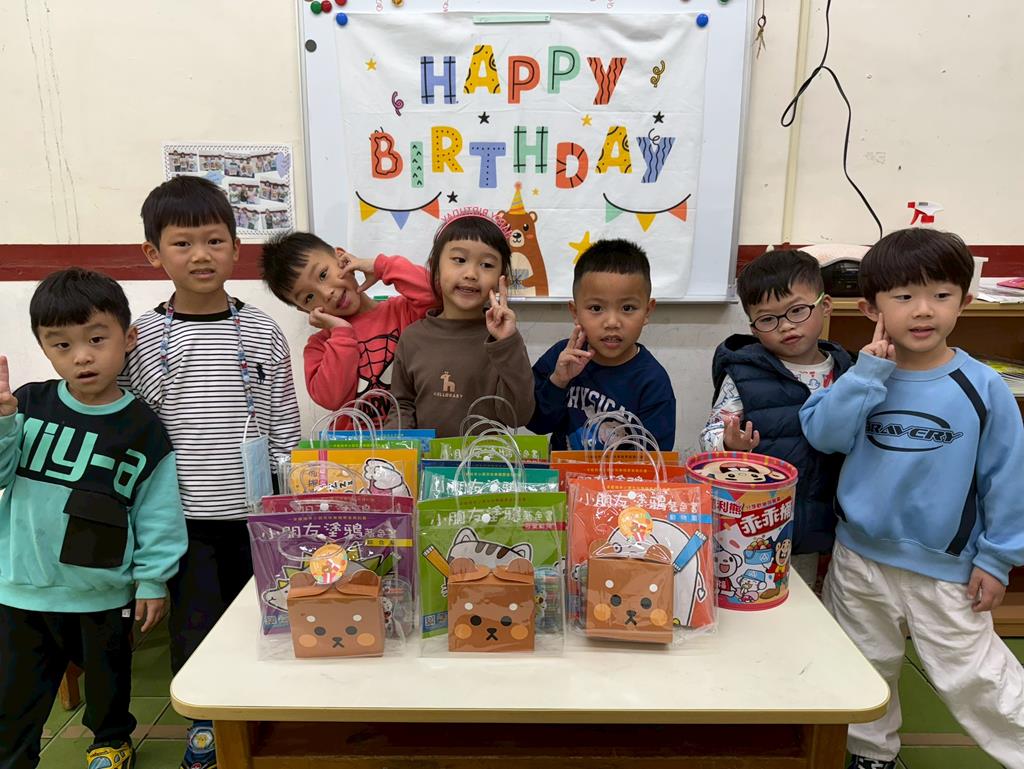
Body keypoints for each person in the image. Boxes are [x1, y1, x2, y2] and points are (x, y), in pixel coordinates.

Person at [799, 228, 1024, 769]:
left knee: (978, 678)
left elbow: (1008, 478)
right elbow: (824, 435)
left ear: (964, 301)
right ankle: (870, 755)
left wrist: (997, 559)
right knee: (863, 668)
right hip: (858, 558)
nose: (923, 311)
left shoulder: (983, 387)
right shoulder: (862, 376)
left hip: (944, 569)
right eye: (903, 297)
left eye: (941, 295)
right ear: (871, 308)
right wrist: (868, 374)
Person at [122, 175, 301, 769]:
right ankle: (204, 726)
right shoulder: (143, 336)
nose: (201, 255)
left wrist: (287, 503)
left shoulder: (262, 329)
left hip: (257, 517)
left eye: (214, 240)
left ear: (235, 247)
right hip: (182, 519)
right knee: (195, 627)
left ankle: (263, 713)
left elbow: (283, 421)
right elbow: (128, 421)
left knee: (263, 619)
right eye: (182, 243)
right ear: (154, 253)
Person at [0, 268, 186, 769]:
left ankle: (111, 739)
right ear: (44, 349)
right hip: (21, 587)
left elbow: (158, 512)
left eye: (96, 339)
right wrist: (2, 422)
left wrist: (152, 579)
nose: (81, 356)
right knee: (15, 694)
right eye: (62, 345)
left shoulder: (143, 427)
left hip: (102, 590)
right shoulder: (28, 404)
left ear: (128, 338)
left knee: (109, 677)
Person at [699, 249, 853, 586]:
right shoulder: (743, 373)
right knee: (751, 589)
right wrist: (728, 442)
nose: (786, 326)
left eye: (797, 311)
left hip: (822, 522)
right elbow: (709, 434)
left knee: (807, 598)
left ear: (825, 305)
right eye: (768, 319)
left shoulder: (848, 373)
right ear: (754, 328)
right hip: (753, 522)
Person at [385, 209, 534, 437]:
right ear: (436, 267)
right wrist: (394, 450)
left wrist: (507, 343)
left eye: (487, 265)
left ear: (500, 278)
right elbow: (402, 405)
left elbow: (518, 415)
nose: (471, 274)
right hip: (426, 459)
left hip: (484, 459)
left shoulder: (503, 340)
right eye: (459, 260)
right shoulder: (413, 337)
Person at [261, 231, 436, 422]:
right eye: (309, 297)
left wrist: (382, 266)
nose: (326, 293)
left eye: (323, 274)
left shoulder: (402, 311)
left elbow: (438, 295)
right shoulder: (319, 347)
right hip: (355, 440)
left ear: (342, 259)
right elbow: (331, 399)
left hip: (414, 436)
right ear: (304, 309)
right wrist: (341, 333)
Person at [528, 239, 675, 450]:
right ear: (575, 312)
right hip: (562, 470)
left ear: (647, 311)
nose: (612, 322)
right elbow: (537, 424)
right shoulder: (562, 357)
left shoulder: (653, 380)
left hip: (624, 473)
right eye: (596, 308)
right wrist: (558, 381)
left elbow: (656, 456)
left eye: (627, 308)